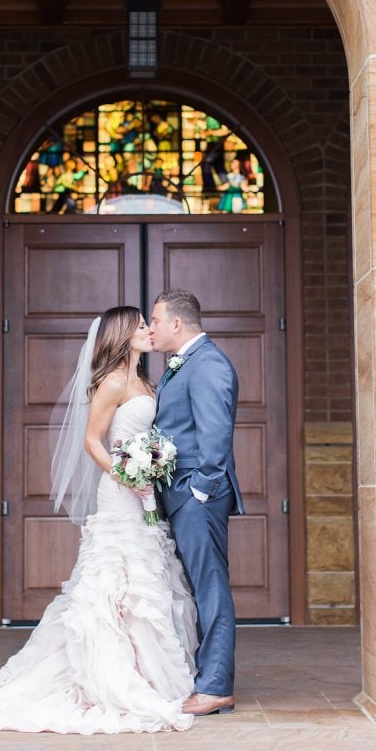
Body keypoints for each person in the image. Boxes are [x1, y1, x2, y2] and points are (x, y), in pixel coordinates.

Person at [0, 307, 197, 734]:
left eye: (150, 324)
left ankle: (147, 671)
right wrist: (126, 476)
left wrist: (150, 469)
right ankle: (106, 674)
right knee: (112, 581)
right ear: (124, 334)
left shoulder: (145, 380)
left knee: (145, 578)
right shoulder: (111, 382)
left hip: (144, 493)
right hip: (120, 493)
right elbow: (93, 440)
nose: (149, 330)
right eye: (142, 325)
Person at [150, 289, 243, 717]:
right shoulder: (184, 363)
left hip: (196, 495)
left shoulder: (207, 364)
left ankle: (215, 686)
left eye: (155, 320)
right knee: (198, 585)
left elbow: (215, 433)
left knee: (210, 587)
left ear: (177, 324)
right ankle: (205, 674)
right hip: (182, 493)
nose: (151, 328)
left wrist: (199, 489)